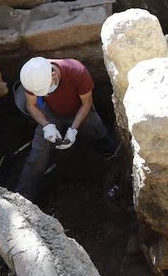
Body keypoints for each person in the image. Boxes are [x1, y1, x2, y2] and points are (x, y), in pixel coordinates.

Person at [12, 56, 116, 201]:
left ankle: (114, 158)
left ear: (53, 74)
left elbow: (86, 104)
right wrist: (47, 125)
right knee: (38, 155)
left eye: (46, 89)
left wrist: (73, 130)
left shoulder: (76, 71)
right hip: (50, 112)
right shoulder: (32, 78)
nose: (46, 93)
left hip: (79, 109)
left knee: (97, 131)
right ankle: (23, 199)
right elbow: (31, 105)